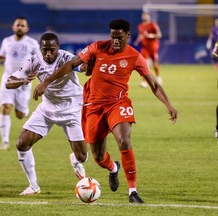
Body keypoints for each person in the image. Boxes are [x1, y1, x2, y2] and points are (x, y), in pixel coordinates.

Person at [33, 19, 178, 203]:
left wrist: (168, 104)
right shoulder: (97, 47)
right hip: (93, 106)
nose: (115, 41)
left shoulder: (135, 56)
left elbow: (154, 84)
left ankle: (132, 192)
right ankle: (113, 168)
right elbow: (71, 64)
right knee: (98, 157)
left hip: (118, 104)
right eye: (113, 37)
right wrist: (46, 82)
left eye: (119, 38)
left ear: (127, 35)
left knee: (124, 142)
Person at [5, 33, 88, 195]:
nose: (48, 53)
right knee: (22, 143)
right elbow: (9, 82)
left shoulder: (66, 57)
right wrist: (23, 81)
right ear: (40, 48)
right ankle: (33, 186)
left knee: (82, 157)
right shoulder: (34, 61)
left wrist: (86, 65)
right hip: (47, 109)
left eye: (52, 50)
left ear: (58, 47)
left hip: (72, 110)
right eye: (45, 50)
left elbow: (81, 67)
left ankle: (76, 160)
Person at [0, 17, 40, 150]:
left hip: (24, 82)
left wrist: (35, 74)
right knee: (5, 107)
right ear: (13, 27)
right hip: (8, 79)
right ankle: (5, 141)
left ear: (27, 28)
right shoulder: (6, 41)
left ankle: (24, 110)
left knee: (20, 115)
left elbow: (39, 60)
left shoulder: (32, 43)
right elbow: (2, 56)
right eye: (18, 25)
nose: (20, 27)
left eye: (22, 26)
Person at [134, 12, 162, 88]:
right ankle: (144, 81)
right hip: (145, 47)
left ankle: (158, 76)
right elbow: (141, 35)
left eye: (146, 15)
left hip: (153, 47)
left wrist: (151, 35)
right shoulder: (140, 26)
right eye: (144, 15)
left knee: (154, 64)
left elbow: (159, 34)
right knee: (144, 64)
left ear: (149, 17)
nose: (145, 17)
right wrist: (137, 41)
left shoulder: (153, 25)